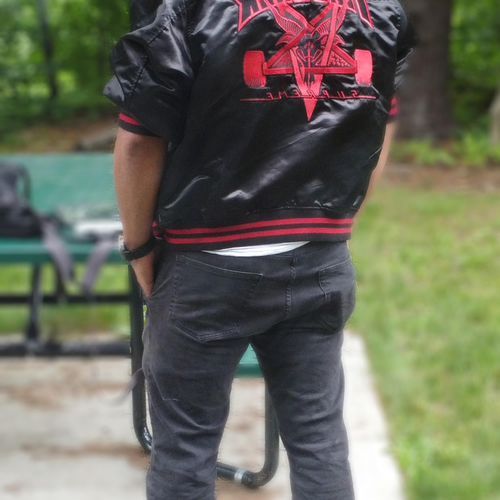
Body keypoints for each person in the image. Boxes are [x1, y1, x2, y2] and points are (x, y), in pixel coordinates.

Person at [105, 1, 414, 498]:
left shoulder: (190, 9)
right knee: (318, 438)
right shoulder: (379, 11)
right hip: (320, 259)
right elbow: (380, 121)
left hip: (207, 265)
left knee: (185, 448)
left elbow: (140, 143)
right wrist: (337, 219)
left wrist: (138, 249)